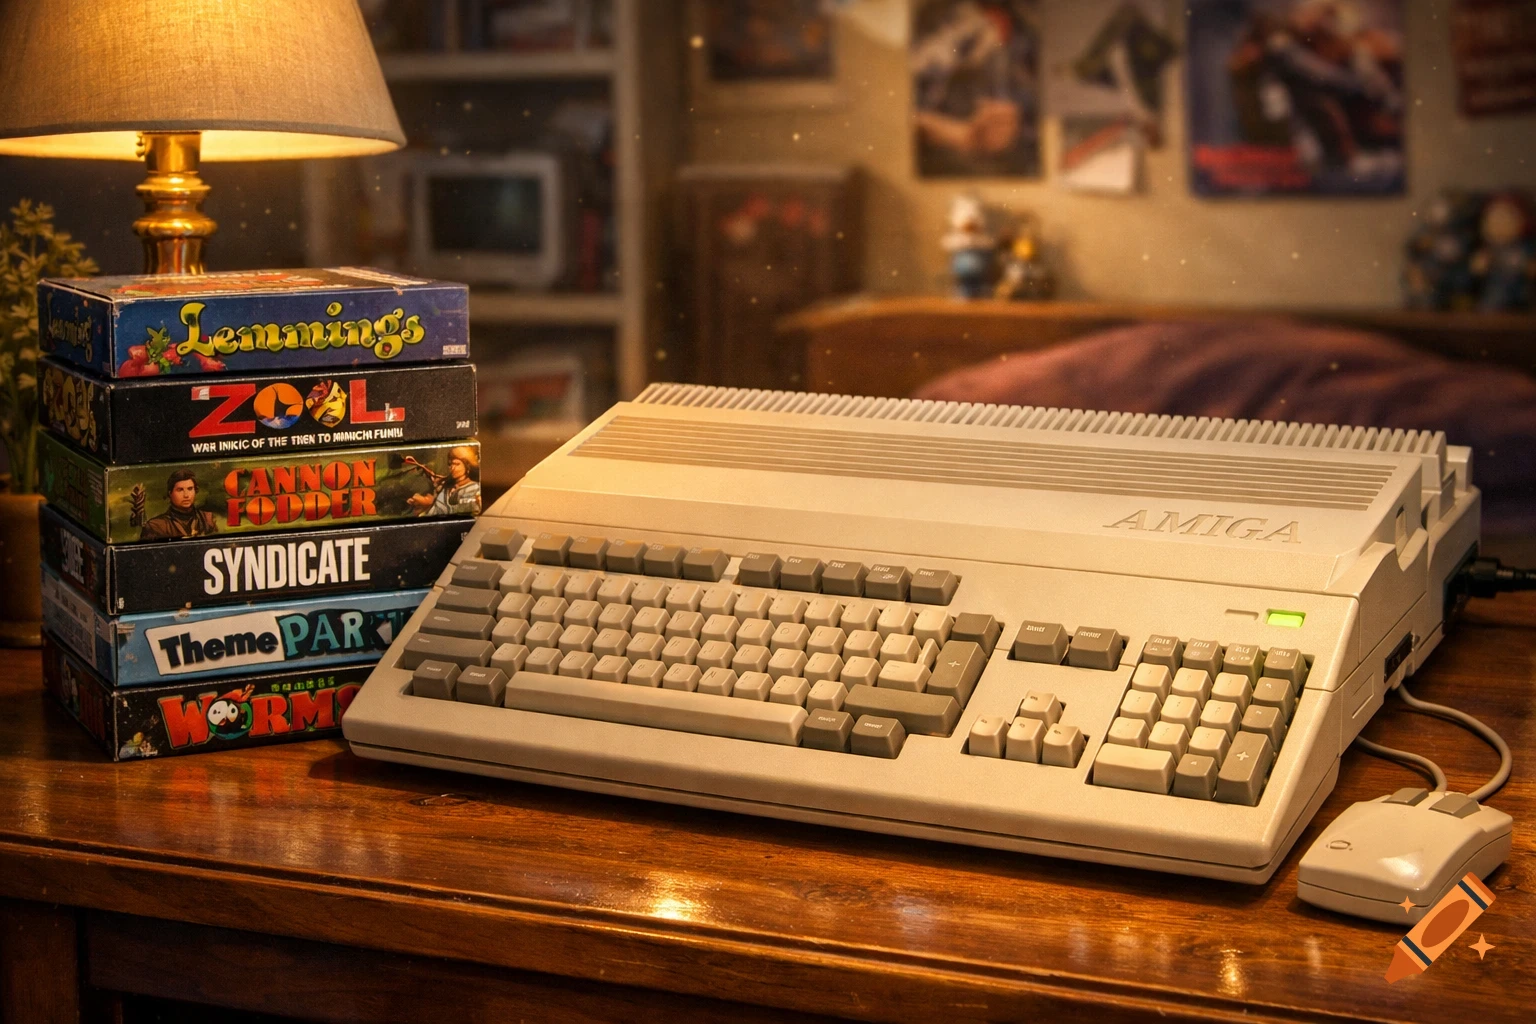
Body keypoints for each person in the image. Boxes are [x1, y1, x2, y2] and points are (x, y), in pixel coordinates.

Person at [139, 469, 220, 541]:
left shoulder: (207, 519)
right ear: (170, 493)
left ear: (195, 491)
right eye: (180, 490)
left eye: (190, 489)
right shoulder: (156, 526)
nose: (186, 495)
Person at [409, 445, 482, 517]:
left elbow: (461, 510)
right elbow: (437, 511)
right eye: (451, 464)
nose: (453, 468)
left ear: (467, 467)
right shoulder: (445, 488)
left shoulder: (474, 488)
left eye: (457, 464)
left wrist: (429, 503)